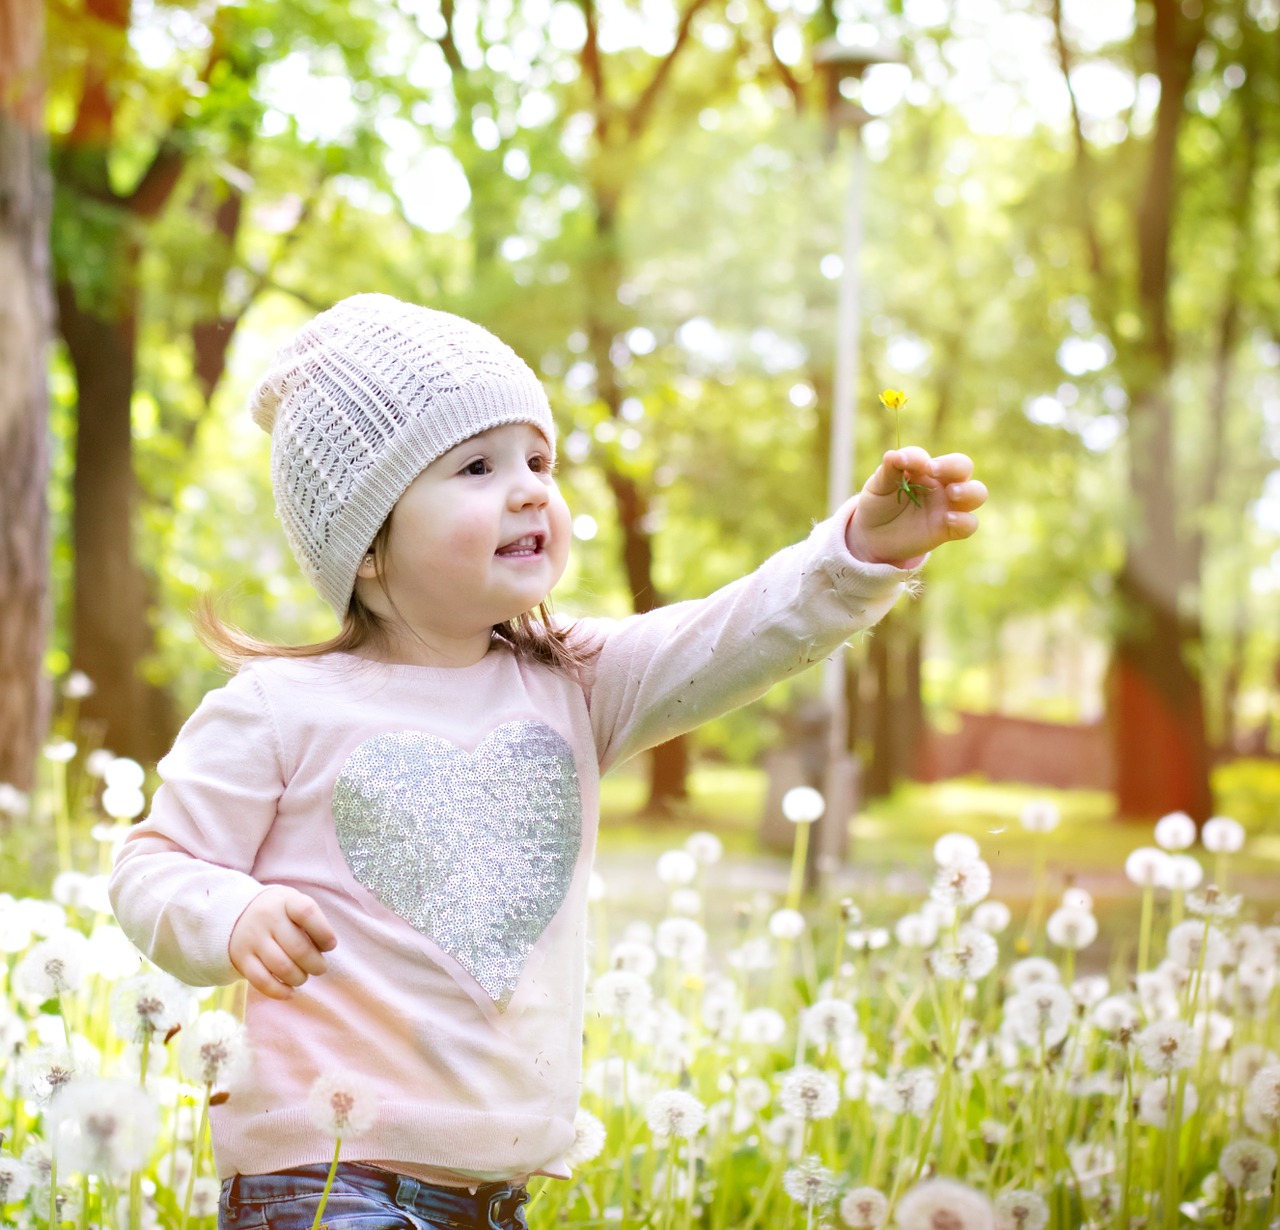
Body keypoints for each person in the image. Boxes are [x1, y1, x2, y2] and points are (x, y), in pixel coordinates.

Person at [109, 293, 987, 1229]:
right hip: (325, 1182)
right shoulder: (278, 710)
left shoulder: (570, 682)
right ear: (367, 546)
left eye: (538, 460)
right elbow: (151, 865)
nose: (530, 488)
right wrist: (232, 913)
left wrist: (856, 554)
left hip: (497, 1197)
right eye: (478, 467)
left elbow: (729, 637)